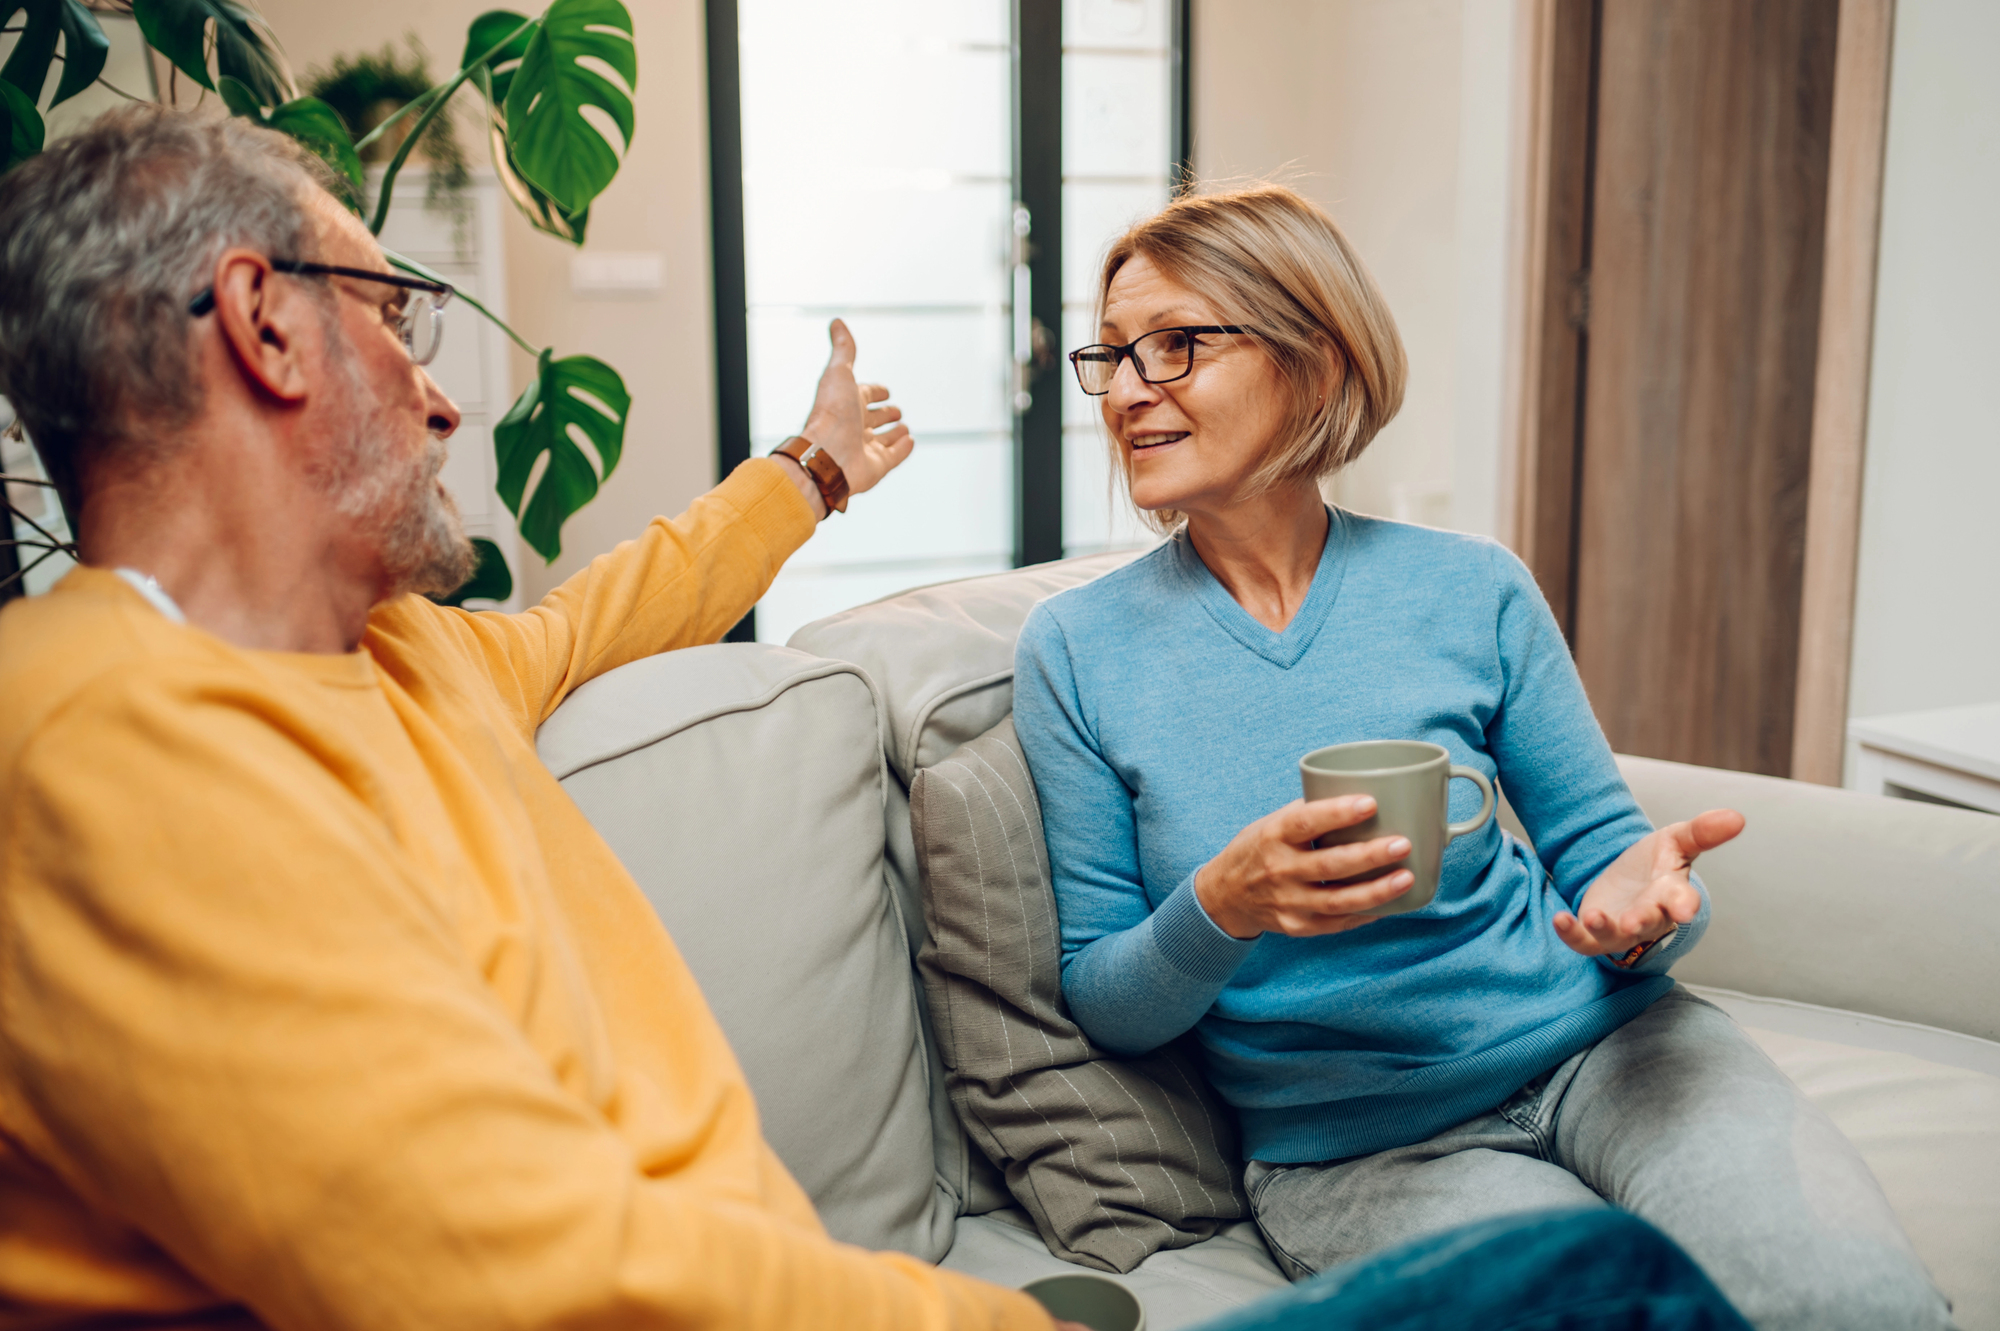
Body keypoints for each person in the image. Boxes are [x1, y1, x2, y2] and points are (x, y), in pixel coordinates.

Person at [0, 106, 1755, 1331]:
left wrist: (818, 468)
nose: (445, 391)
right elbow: (516, 1278)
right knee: (1599, 1298)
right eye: (398, 313)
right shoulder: (103, 741)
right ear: (263, 331)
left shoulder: (424, 665)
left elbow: (636, 596)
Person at [1012, 183, 1955, 1331]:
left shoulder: (1470, 586)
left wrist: (1643, 907)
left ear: (1311, 356)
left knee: (1849, 1302)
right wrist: (1222, 901)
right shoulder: (1074, 650)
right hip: (1357, 1152)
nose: (1126, 391)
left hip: (1611, 1050)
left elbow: (1604, 849)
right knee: (1606, 1302)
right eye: (1110, 356)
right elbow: (1105, 998)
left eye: (1175, 345)